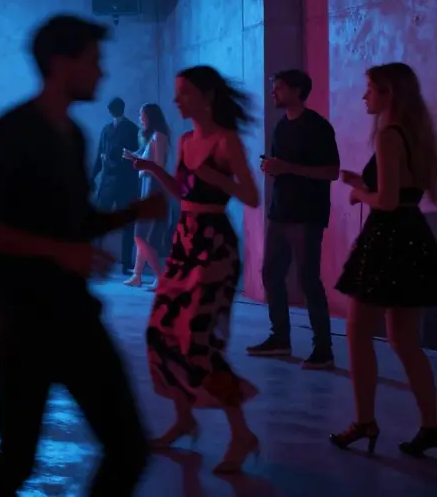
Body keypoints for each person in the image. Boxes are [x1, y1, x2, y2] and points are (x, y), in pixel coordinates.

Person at [0, 14, 163, 496]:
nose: (101, 72)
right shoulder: (13, 132)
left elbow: (75, 224)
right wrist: (59, 251)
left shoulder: (72, 135)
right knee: (16, 459)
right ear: (60, 63)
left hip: (73, 315)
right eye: (93, 61)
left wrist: (132, 212)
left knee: (128, 448)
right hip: (23, 320)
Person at [133, 65, 262, 475]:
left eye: (185, 93)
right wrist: (154, 171)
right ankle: (184, 418)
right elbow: (182, 192)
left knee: (198, 343)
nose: (177, 101)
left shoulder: (225, 141)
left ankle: (241, 433)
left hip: (214, 246)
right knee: (161, 331)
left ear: (206, 97)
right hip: (184, 241)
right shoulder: (186, 140)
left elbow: (252, 197)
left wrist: (215, 177)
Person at [330, 62, 437, 457]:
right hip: (414, 236)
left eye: (371, 89)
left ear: (390, 93)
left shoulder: (388, 136)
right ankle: (432, 424)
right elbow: (417, 193)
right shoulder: (419, 135)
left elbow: (388, 201)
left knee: (358, 332)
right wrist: (365, 182)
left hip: (387, 239)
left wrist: (360, 194)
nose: (365, 96)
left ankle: (364, 421)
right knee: (405, 341)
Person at [246, 69, 340, 370]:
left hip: (307, 214)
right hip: (280, 211)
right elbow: (281, 166)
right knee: (271, 273)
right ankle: (280, 338)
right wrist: (272, 168)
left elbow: (331, 171)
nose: (273, 92)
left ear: (297, 91)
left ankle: (323, 349)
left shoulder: (318, 127)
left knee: (308, 280)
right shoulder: (281, 126)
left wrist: (288, 168)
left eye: (279, 87)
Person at [122, 103, 172, 288]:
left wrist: (138, 161)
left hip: (153, 186)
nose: (140, 119)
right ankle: (137, 275)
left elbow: (157, 166)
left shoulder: (159, 136)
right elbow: (148, 161)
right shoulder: (153, 137)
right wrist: (133, 157)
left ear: (151, 117)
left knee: (140, 236)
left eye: (142, 116)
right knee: (142, 235)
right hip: (147, 185)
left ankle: (160, 276)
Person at [93, 97, 141, 273]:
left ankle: (126, 263)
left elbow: (135, 156)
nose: (112, 110)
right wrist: (93, 176)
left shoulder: (132, 129)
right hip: (107, 181)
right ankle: (94, 259)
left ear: (121, 108)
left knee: (127, 223)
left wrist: (112, 161)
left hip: (125, 183)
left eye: (115, 107)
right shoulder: (106, 129)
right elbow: (100, 154)